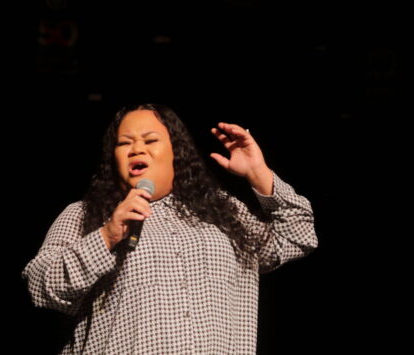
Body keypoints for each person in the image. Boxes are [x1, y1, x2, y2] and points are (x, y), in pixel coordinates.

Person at [22, 103, 318, 354]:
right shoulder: (85, 215)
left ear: (176, 152)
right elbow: (41, 286)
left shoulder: (221, 212)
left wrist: (258, 174)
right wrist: (107, 235)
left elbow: (297, 237)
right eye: (124, 143)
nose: (136, 148)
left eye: (150, 140)